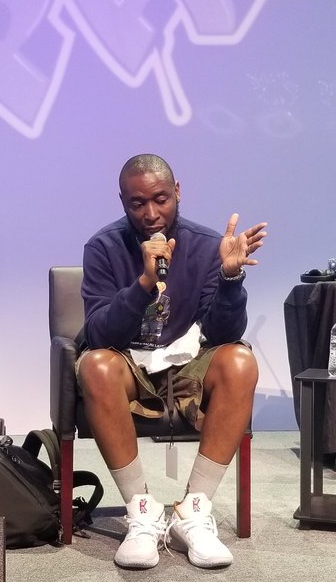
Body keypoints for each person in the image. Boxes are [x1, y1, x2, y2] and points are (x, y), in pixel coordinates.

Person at [78, 154, 266, 569]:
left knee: (239, 361)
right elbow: (100, 335)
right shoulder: (103, 248)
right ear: (123, 202)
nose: (150, 214)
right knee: (95, 364)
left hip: (187, 365)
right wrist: (144, 283)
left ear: (177, 191)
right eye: (137, 203)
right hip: (130, 365)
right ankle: (142, 514)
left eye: (160, 199)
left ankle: (192, 513)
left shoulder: (205, 245)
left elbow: (223, 333)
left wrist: (231, 279)